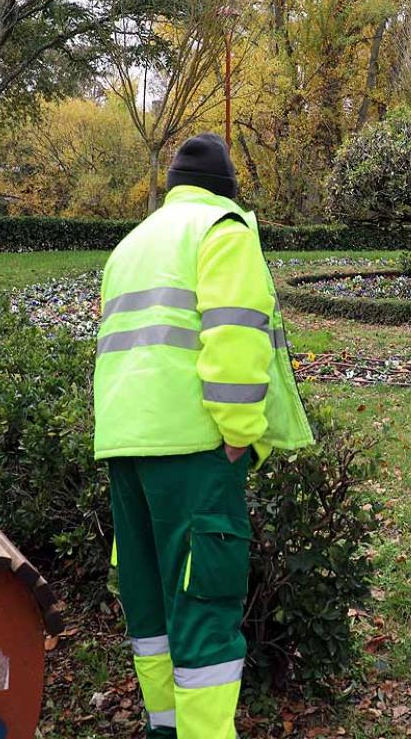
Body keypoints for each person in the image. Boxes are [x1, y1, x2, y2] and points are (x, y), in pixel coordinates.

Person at [93, 133, 314, 739]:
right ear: (227, 190)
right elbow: (235, 339)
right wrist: (240, 434)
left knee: (151, 603)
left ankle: (164, 728)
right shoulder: (223, 231)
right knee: (204, 604)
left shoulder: (133, 243)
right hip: (194, 449)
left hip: (125, 445)